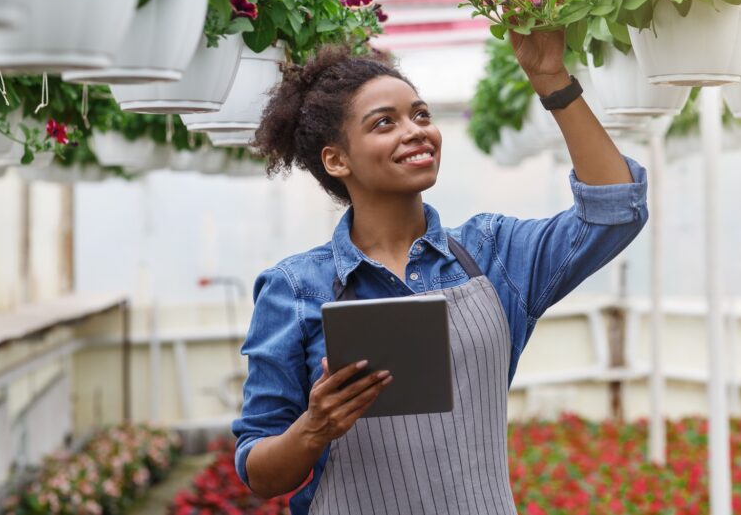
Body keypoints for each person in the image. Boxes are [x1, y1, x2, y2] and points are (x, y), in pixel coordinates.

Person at [231, 29, 649, 515]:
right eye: (384, 123)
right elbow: (259, 473)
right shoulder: (295, 288)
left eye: (421, 114)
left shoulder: (493, 252)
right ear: (336, 159)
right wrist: (314, 426)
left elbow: (615, 211)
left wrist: (552, 80)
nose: (415, 131)